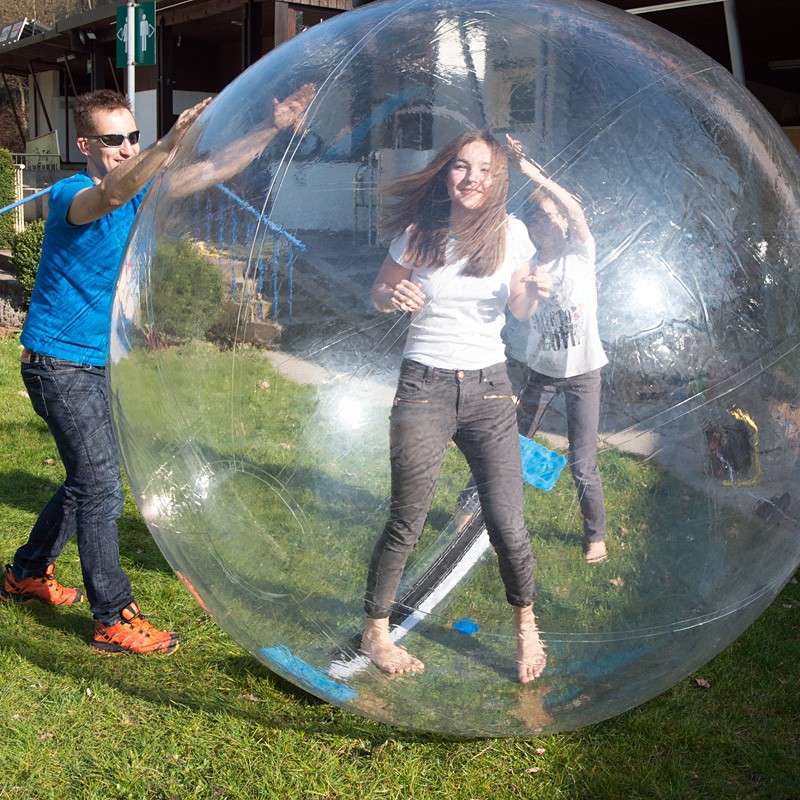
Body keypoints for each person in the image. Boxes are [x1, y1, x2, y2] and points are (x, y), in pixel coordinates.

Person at [361, 130, 552, 684]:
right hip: (425, 386)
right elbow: (379, 291)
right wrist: (391, 296)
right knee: (408, 518)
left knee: (508, 523)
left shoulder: (512, 234)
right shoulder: (419, 234)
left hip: (491, 390)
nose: (472, 178)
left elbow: (517, 309)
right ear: (446, 172)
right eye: (462, 167)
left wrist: (532, 295)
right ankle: (377, 630)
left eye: (485, 170)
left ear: (498, 180)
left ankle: (527, 628)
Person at [506, 135, 609, 564]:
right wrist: (530, 288)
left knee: (582, 460)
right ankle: (472, 508)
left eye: (554, 217)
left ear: (564, 223)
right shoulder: (528, 265)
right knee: (510, 444)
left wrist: (527, 168)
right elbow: (524, 315)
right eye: (539, 218)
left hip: (585, 373)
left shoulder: (581, 254)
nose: (549, 224)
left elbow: (576, 208)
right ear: (531, 227)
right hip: (541, 372)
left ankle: (596, 534)